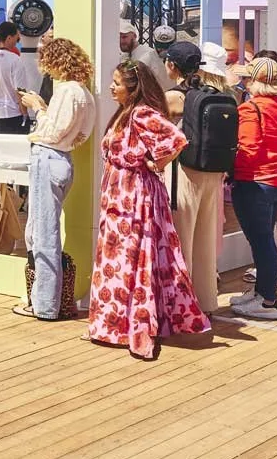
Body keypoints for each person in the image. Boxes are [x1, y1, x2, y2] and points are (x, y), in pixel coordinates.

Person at [87, 61, 210, 356]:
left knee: (129, 259)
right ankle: (112, 324)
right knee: (117, 259)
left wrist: (156, 164)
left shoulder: (141, 113)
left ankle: (127, 325)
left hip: (133, 195)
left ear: (133, 87)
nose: (111, 87)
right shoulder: (124, 113)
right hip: (119, 195)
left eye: (117, 82)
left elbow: (176, 139)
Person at [13, 37, 94, 320]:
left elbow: (53, 133)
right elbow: (79, 134)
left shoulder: (67, 91)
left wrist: (38, 107)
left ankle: (45, 303)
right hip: (62, 159)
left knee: (43, 232)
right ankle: (45, 300)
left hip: (48, 158)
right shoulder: (83, 93)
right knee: (41, 229)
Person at [159, 41, 232, 314]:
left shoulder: (173, 97)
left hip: (184, 173)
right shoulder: (211, 91)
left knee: (182, 240)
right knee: (204, 241)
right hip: (212, 172)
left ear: (171, 65)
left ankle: (180, 306)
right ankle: (206, 302)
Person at [230, 56, 277, 313]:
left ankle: (268, 301)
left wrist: (228, 167)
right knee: (263, 239)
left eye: (246, 78)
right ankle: (262, 292)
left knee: (261, 241)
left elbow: (247, 148)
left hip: (254, 181)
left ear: (254, 82)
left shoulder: (250, 109)